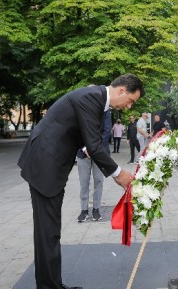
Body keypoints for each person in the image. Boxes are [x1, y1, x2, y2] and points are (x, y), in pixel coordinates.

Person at [17, 73, 144, 289]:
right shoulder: (91, 97)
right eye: (131, 100)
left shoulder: (96, 100)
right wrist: (118, 173)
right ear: (122, 90)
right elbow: (94, 146)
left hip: (50, 163)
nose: (129, 107)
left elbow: (87, 141)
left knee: (50, 230)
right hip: (44, 164)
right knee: (47, 231)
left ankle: (51, 284)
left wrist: (91, 151)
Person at [76, 102, 111, 223]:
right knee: (84, 182)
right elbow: (76, 130)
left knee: (98, 180)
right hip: (82, 152)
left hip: (99, 153)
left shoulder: (105, 111)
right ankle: (84, 210)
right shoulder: (80, 109)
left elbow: (106, 131)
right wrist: (85, 148)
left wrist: (94, 149)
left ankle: (96, 209)